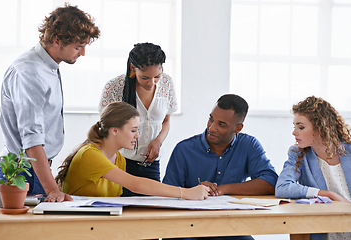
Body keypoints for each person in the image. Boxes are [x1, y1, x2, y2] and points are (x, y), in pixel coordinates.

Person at [0, 4, 100, 202]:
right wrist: (53, 189)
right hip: (23, 170)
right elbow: (31, 138)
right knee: (24, 233)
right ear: (57, 41)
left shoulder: (48, 66)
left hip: (35, 169)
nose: (83, 53)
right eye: (79, 46)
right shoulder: (31, 72)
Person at [163, 94, 278, 240]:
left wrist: (222, 189)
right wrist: (192, 192)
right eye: (211, 119)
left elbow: (270, 182)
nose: (212, 128)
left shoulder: (249, 145)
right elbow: (166, 195)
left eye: (221, 124)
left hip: (229, 227)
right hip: (188, 227)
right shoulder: (184, 149)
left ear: (238, 128)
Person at [55, 102, 209, 200]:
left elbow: (116, 198)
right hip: (77, 225)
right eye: (133, 130)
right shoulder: (90, 154)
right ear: (115, 130)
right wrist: (186, 193)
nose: (138, 135)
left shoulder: (119, 158)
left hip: (97, 224)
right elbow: (135, 184)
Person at [99, 42, 177, 196]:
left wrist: (158, 141)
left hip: (151, 163)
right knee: (122, 213)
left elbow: (166, 121)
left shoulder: (167, 83)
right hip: (120, 163)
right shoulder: (115, 86)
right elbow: (105, 127)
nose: (151, 83)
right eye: (145, 77)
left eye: (157, 76)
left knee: (151, 212)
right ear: (133, 68)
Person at [275, 96, 351, 240]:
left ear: (320, 127)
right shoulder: (297, 153)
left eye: (301, 127)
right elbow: (282, 187)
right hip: (324, 233)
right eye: (295, 127)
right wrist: (327, 194)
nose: (294, 132)